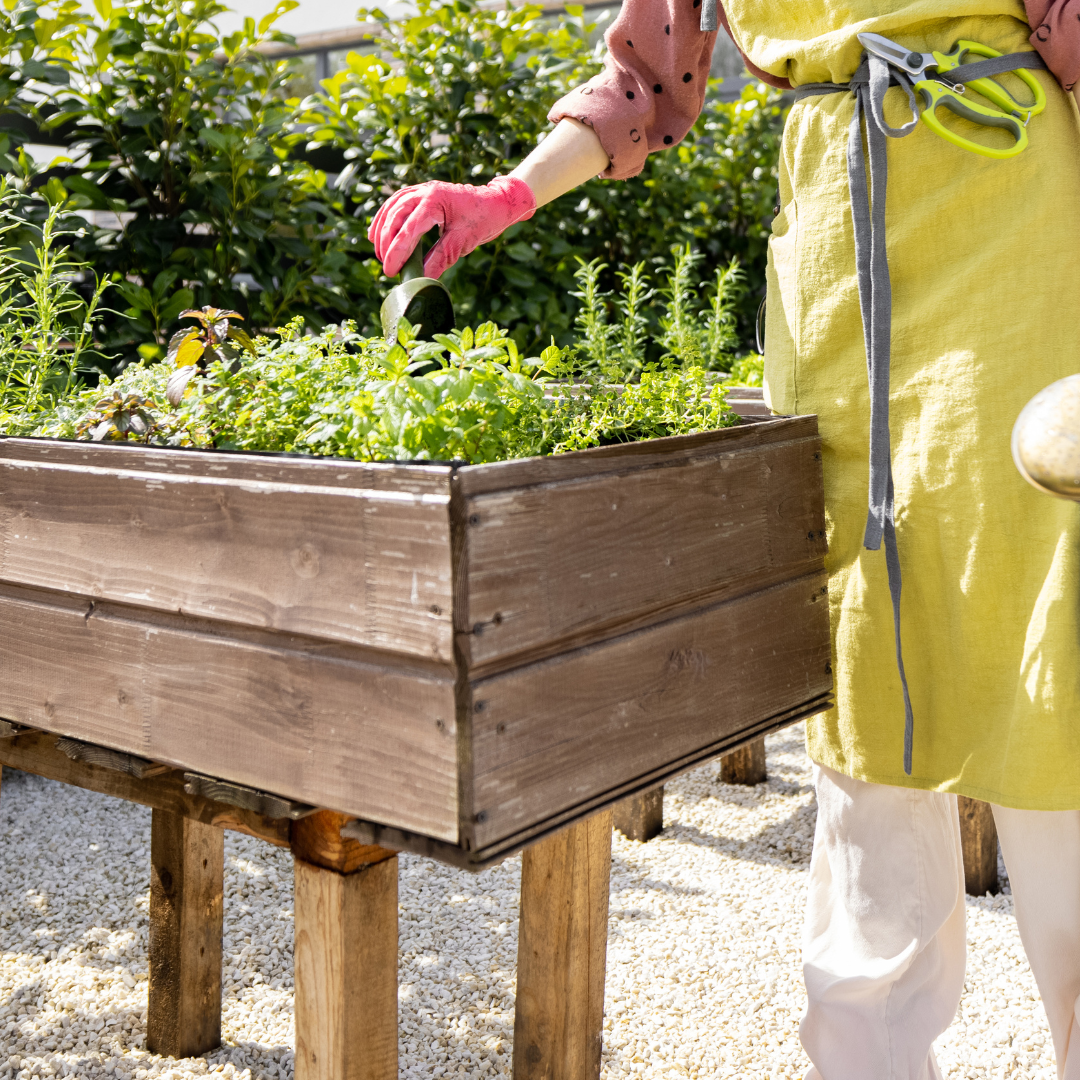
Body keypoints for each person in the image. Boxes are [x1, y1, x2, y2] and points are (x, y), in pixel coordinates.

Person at [369, 4, 1080, 1078]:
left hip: (1016, 226)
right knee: (862, 659)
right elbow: (642, 83)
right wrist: (508, 193)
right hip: (836, 251)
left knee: (1052, 653)